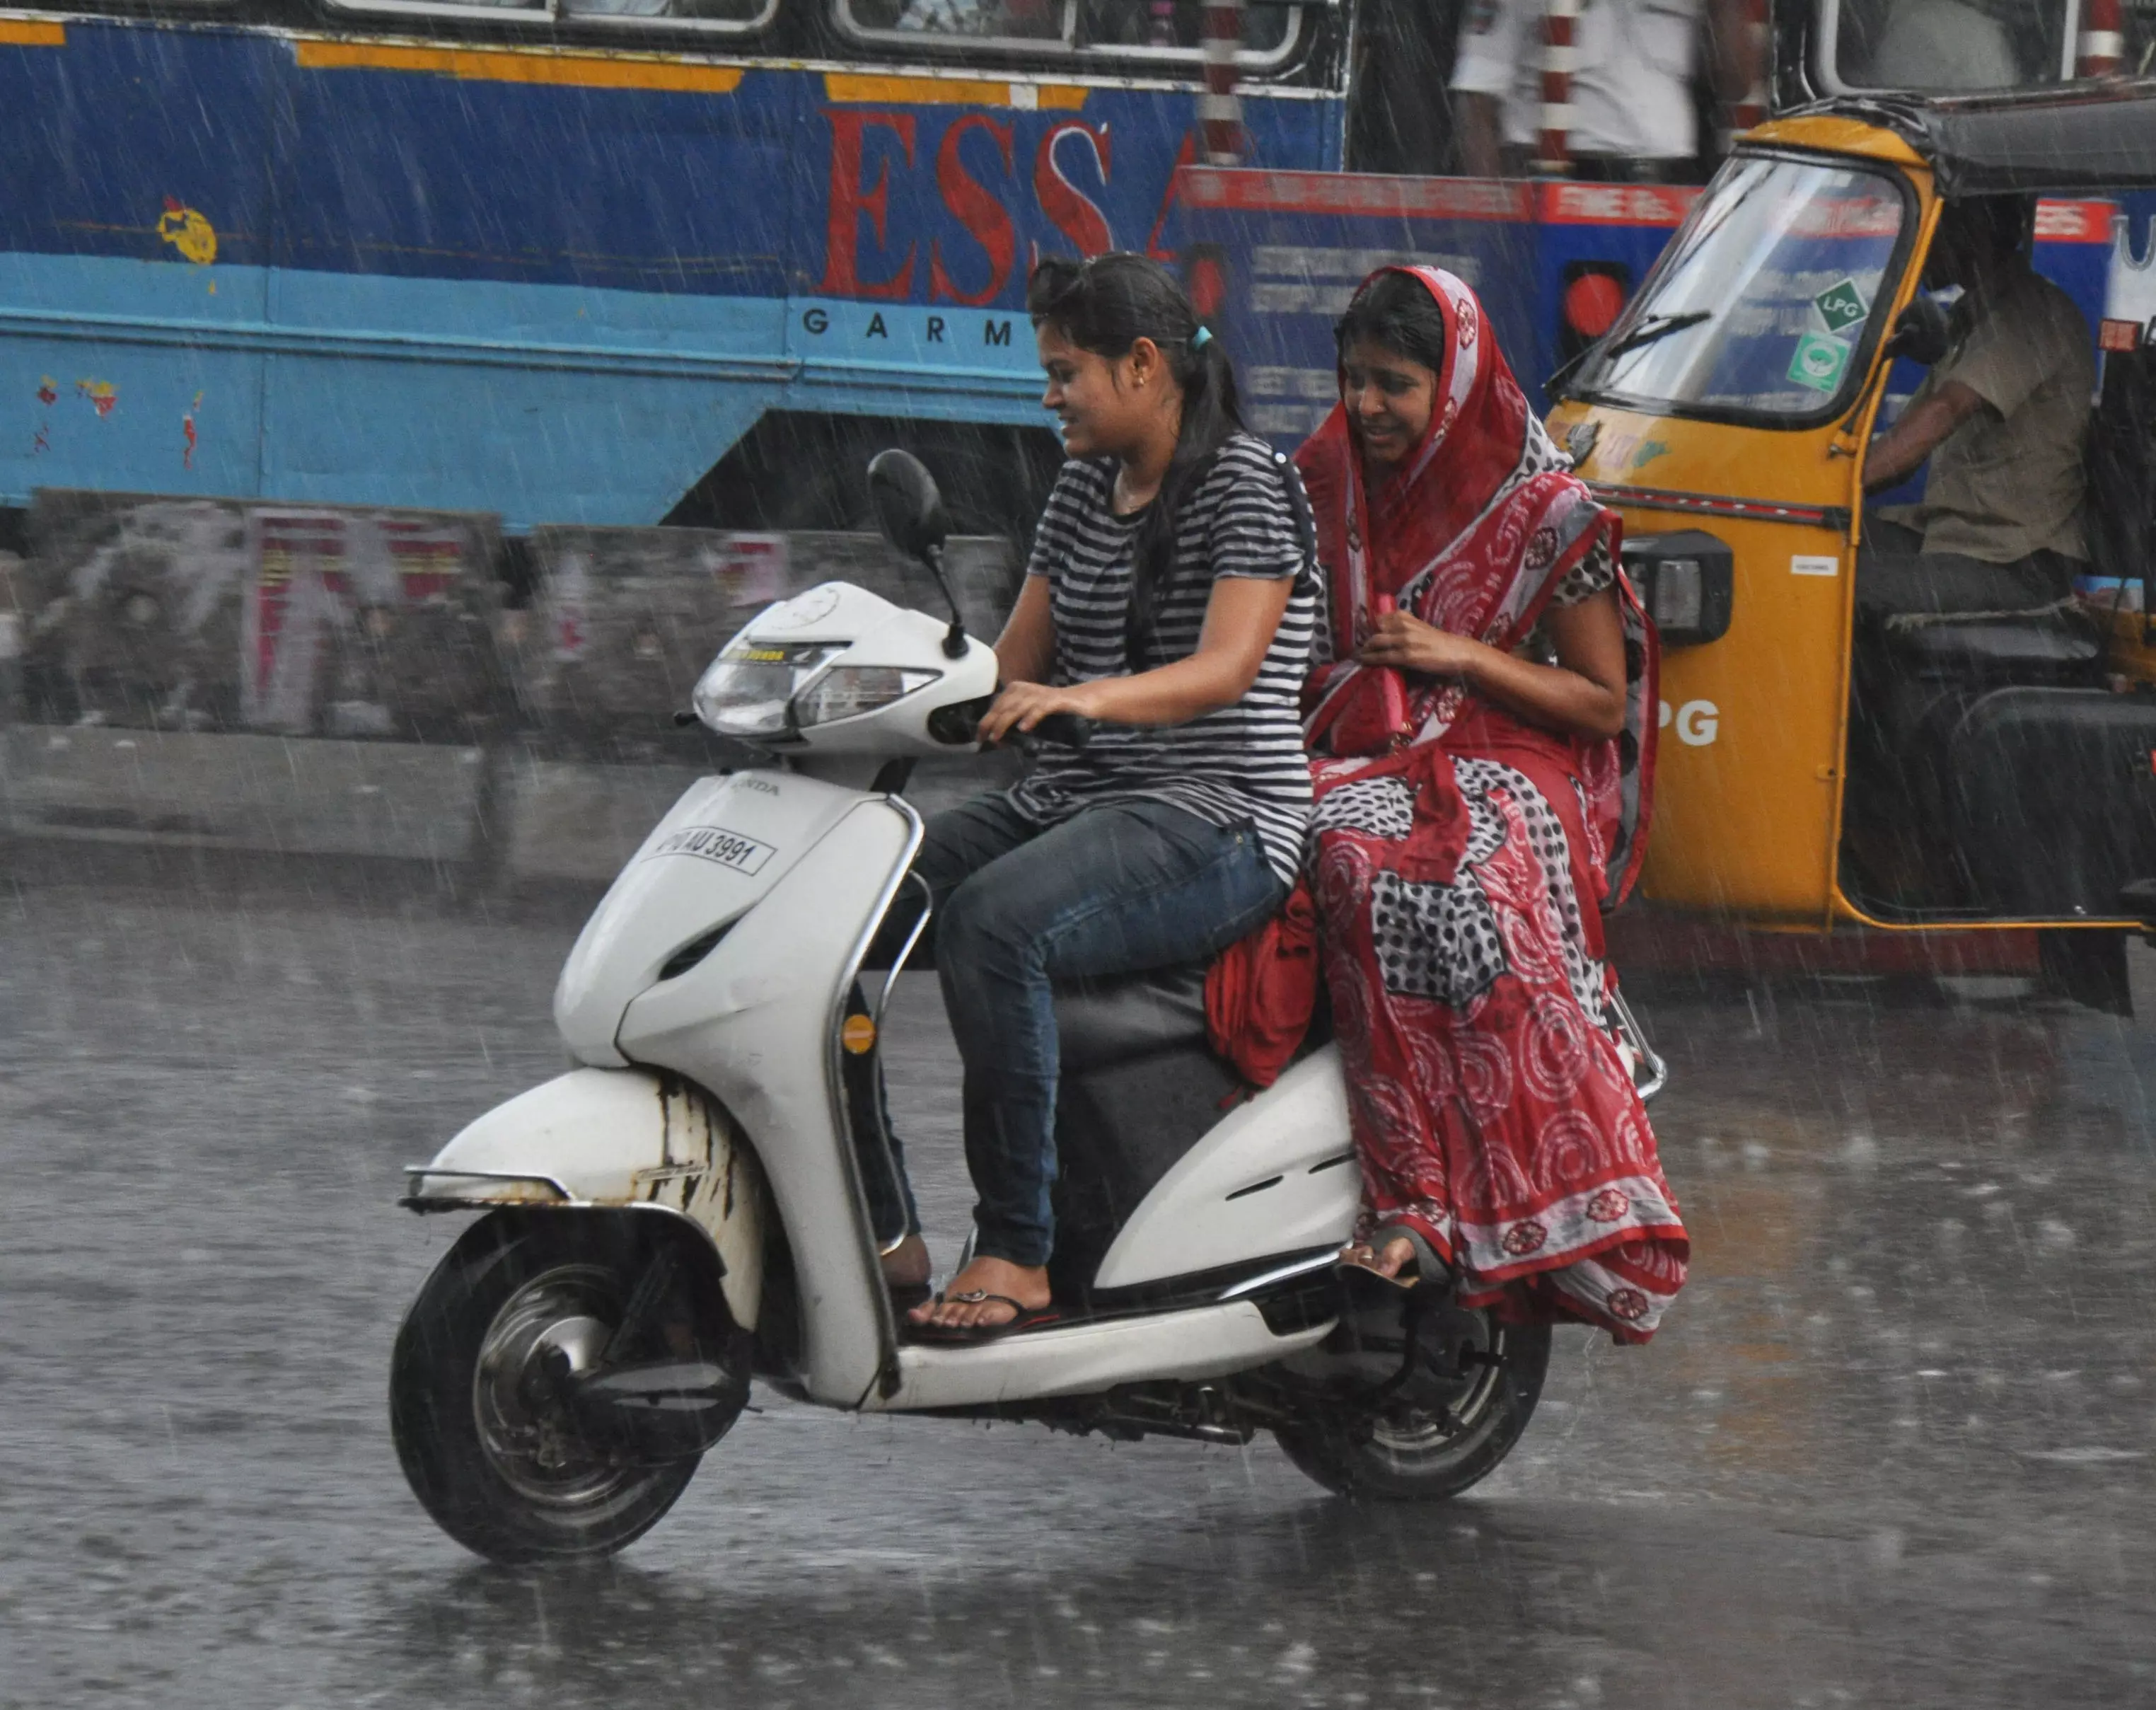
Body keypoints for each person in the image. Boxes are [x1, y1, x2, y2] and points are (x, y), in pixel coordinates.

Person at [886, 252, 1318, 1342]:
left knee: (992, 926)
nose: (1048, 394)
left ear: (1142, 366)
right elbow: (1006, 664)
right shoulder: (1081, 488)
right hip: (1080, 801)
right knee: (860, 904)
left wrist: (1082, 700)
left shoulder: (1248, 484)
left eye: (1066, 370)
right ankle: (885, 1224)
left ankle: (1019, 1248)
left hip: (1218, 816)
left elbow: (1224, 669)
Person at [1292, 265, 1688, 1340]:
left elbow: (1601, 703)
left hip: (1514, 752)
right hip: (1357, 743)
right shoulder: (1325, 479)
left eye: (1395, 385)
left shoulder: (1546, 510)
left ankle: (1462, 1195)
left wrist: (1450, 654)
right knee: (1298, 843)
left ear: (1455, 385)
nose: (1366, 406)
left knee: (1424, 882)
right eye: (1353, 380)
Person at [1860, 196, 2095, 620]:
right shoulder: (1974, 320)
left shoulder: (2029, 315)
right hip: (1954, 539)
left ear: (1976, 236)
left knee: (1838, 587)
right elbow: (1907, 449)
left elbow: (1943, 414)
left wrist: (1839, 488)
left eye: (1938, 233)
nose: (1926, 247)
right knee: (1814, 549)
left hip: (2010, 560)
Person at [1449, 0, 1758, 183]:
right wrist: (1496, 223)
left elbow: (1735, 84)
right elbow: (1478, 102)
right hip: (1560, 183)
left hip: (1668, 188)